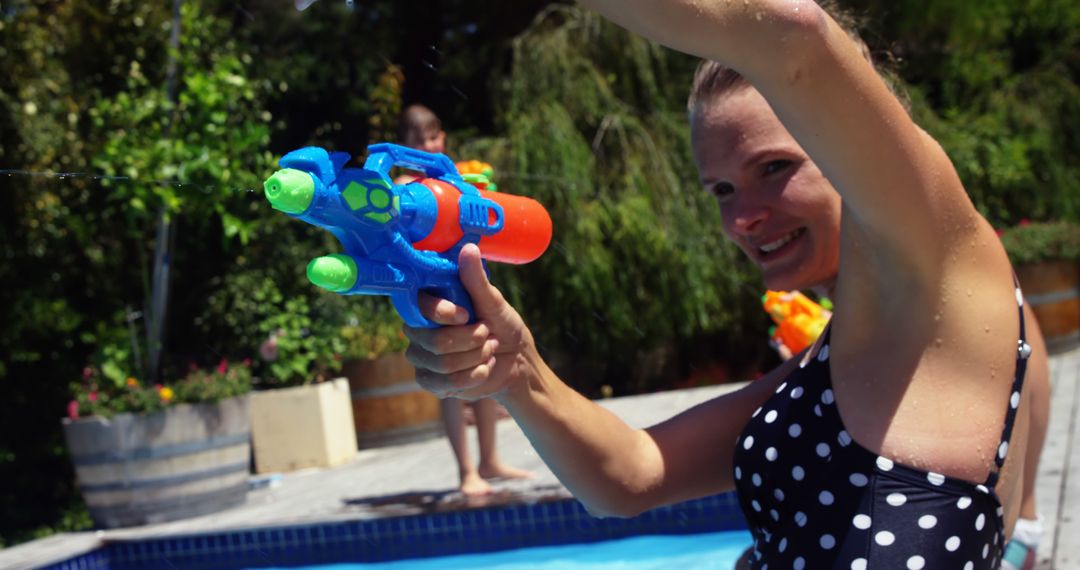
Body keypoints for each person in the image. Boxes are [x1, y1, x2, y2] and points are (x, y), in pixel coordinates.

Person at [401, 2, 1051, 567]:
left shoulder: (947, 272)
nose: (743, 218)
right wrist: (519, 371)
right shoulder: (833, 371)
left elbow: (791, 36)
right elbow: (629, 477)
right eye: (722, 189)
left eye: (774, 168)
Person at [396, 103, 533, 497]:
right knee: (452, 378)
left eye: (433, 136)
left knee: (485, 367)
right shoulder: (405, 186)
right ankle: (466, 471)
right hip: (433, 292)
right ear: (406, 145)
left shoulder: (456, 176)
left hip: (470, 283)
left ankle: (490, 460)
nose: (428, 144)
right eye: (418, 140)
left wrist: (481, 191)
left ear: (444, 137)